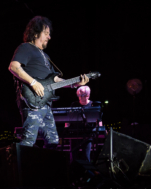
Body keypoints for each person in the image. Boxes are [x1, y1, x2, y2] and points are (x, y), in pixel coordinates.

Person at [8, 16, 89, 149]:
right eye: (46, 33)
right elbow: (14, 67)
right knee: (28, 141)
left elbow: (55, 79)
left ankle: (44, 168)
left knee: (53, 141)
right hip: (32, 101)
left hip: (45, 103)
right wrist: (33, 82)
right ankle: (20, 168)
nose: (49, 37)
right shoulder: (26, 48)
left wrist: (75, 83)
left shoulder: (46, 57)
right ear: (35, 33)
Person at [68, 86, 102, 162]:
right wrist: (67, 129)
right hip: (75, 133)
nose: (79, 97)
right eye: (78, 95)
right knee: (73, 157)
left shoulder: (93, 105)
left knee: (86, 157)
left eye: (82, 95)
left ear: (88, 95)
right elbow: (68, 119)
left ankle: (86, 172)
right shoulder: (74, 104)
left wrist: (101, 129)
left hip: (88, 134)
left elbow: (99, 119)